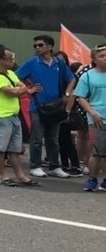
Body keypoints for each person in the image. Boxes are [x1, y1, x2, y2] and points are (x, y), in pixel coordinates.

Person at [15, 33, 74, 179]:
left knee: (53, 139)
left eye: (40, 45)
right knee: (36, 138)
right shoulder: (31, 62)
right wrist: (28, 90)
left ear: (49, 46)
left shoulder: (59, 63)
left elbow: (72, 79)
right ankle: (35, 166)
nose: (37, 48)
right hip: (37, 106)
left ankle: (54, 166)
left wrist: (66, 94)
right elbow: (15, 77)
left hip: (55, 106)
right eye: (35, 45)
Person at [0, 45, 41, 187]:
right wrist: (20, 90)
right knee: (0, 148)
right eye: (9, 58)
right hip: (1, 116)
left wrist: (19, 89)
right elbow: (13, 92)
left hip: (14, 115)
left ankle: (20, 176)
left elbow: (21, 87)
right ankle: (3, 176)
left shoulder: (11, 73)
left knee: (15, 149)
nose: (12, 61)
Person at [72, 44, 106, 191]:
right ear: (94, 58)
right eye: (102, 56)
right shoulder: (87, 75)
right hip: (97, 119)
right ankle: (92, 179)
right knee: (97, 152)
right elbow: (80, 97)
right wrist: (92, 113)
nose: (105, 59)